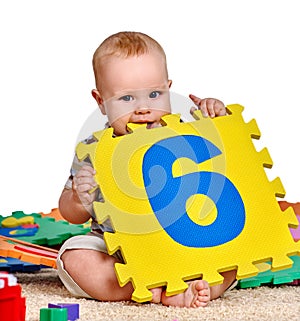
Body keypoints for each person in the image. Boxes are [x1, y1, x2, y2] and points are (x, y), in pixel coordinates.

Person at [57, 31, 237, 308]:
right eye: (126, 99)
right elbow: (69, 214)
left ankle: (194, 287)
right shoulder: (94, 148)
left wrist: (216, 119)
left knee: (233, 258)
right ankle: (144, 289)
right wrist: (80, 198)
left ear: (168, 88)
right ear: (101, 101)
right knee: (73, 257)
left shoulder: (184, 134)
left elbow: (230, 159)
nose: (143, 109)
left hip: (186, 243)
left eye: (154, 94)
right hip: (119, 251)